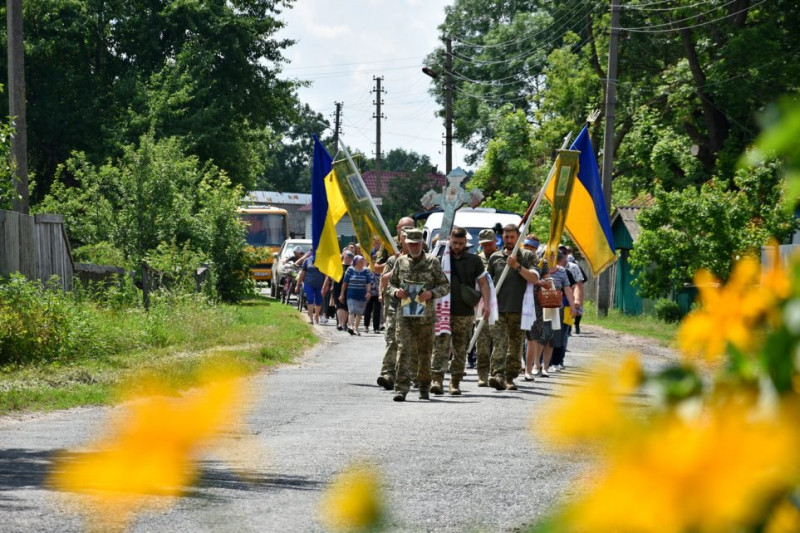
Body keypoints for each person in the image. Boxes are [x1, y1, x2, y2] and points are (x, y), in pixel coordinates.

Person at [387, 228, 450, 402]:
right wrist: (396, 292)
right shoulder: (400, 262)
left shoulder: (432, 262)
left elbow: (445, 286)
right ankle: (401, 389)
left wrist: (431, 293)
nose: (414, 247)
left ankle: (423, 387)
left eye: (417, 243)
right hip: (405, 315)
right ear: (405, 244)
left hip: (426, 317)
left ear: (422, 243)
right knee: (403, 350)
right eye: (410, 244)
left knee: (425, 352)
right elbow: (390, 285)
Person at [430, 226, 491, 396]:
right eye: (455, 242)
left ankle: (455, 382)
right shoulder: (439, 259)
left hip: (464, 312)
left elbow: (483, 283)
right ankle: (437, 380)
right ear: (449, 240)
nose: (457, 246)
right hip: (442, 311)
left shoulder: (474, 260)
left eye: (461, 243)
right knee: (440, 347)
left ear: (466, 243)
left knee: (460, 349)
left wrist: (487, 305)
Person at [486, 224, 539, 391]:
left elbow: (534, 279)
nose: (509, 241)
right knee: (499, 344)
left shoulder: (527, 256)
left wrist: (516, 265)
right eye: (506, 237)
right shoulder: (495, 257)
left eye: (512, 237)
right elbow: (487, 282)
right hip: (499, 309)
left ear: (518, 238)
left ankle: (510, 377)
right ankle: (498, 375)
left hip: (519, 309)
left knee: (515, 346)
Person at [376, 220, 416, 390]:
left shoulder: (423, 259)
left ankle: (412, 373)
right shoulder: (393, 259)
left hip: (414, 299)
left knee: (411, 338)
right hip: (394, 301)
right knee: (392, 337)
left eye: (409, 239)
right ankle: (388, 373)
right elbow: (384, 278)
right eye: (403, 238)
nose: (406, 242)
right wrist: (397, 266)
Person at [474, 228, 499, 387]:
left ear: (495, 241)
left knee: (499, 342)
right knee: (482, 343)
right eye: (484, 245)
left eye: (490, 244)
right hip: (482, 306)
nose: (487, 247)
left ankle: (496, 374)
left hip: (499, 306)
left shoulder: (502, 258)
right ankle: (482, 374)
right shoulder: (477, 260)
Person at [340, 255, 372, 335]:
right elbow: (345, 283)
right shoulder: (350, 270)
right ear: (356, 261)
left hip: (362, 294)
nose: (362, 262)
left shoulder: (366, 271)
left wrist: (368, 292)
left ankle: (356, 328)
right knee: (351, 310)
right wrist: (342, 294)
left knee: (359, 312)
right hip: (351, 294)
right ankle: (351, 326)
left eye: (363, 260)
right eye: (360, 261)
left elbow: (368, 282)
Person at [322, 249, 354, 331]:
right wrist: (324, 288)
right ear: (344, 257)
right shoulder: (338, 266)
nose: (349, 259)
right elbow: (329, 277)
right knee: (339, 305)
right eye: (347, 257)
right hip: (337, 287)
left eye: (350, 258)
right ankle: (340, 323)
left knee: (346, 306)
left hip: (349, 288)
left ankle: (344, 324)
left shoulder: (352, 268)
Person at [296, 253, 326, 324]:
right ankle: (311, 318)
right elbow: (302, 273)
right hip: (309, 284)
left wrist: (326, 285)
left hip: (320, 285)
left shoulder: (323, 261)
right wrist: (297, 285)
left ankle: (316, 316)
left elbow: (326, 275)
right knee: (310, 299)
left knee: (319, 301)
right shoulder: (307, 261)